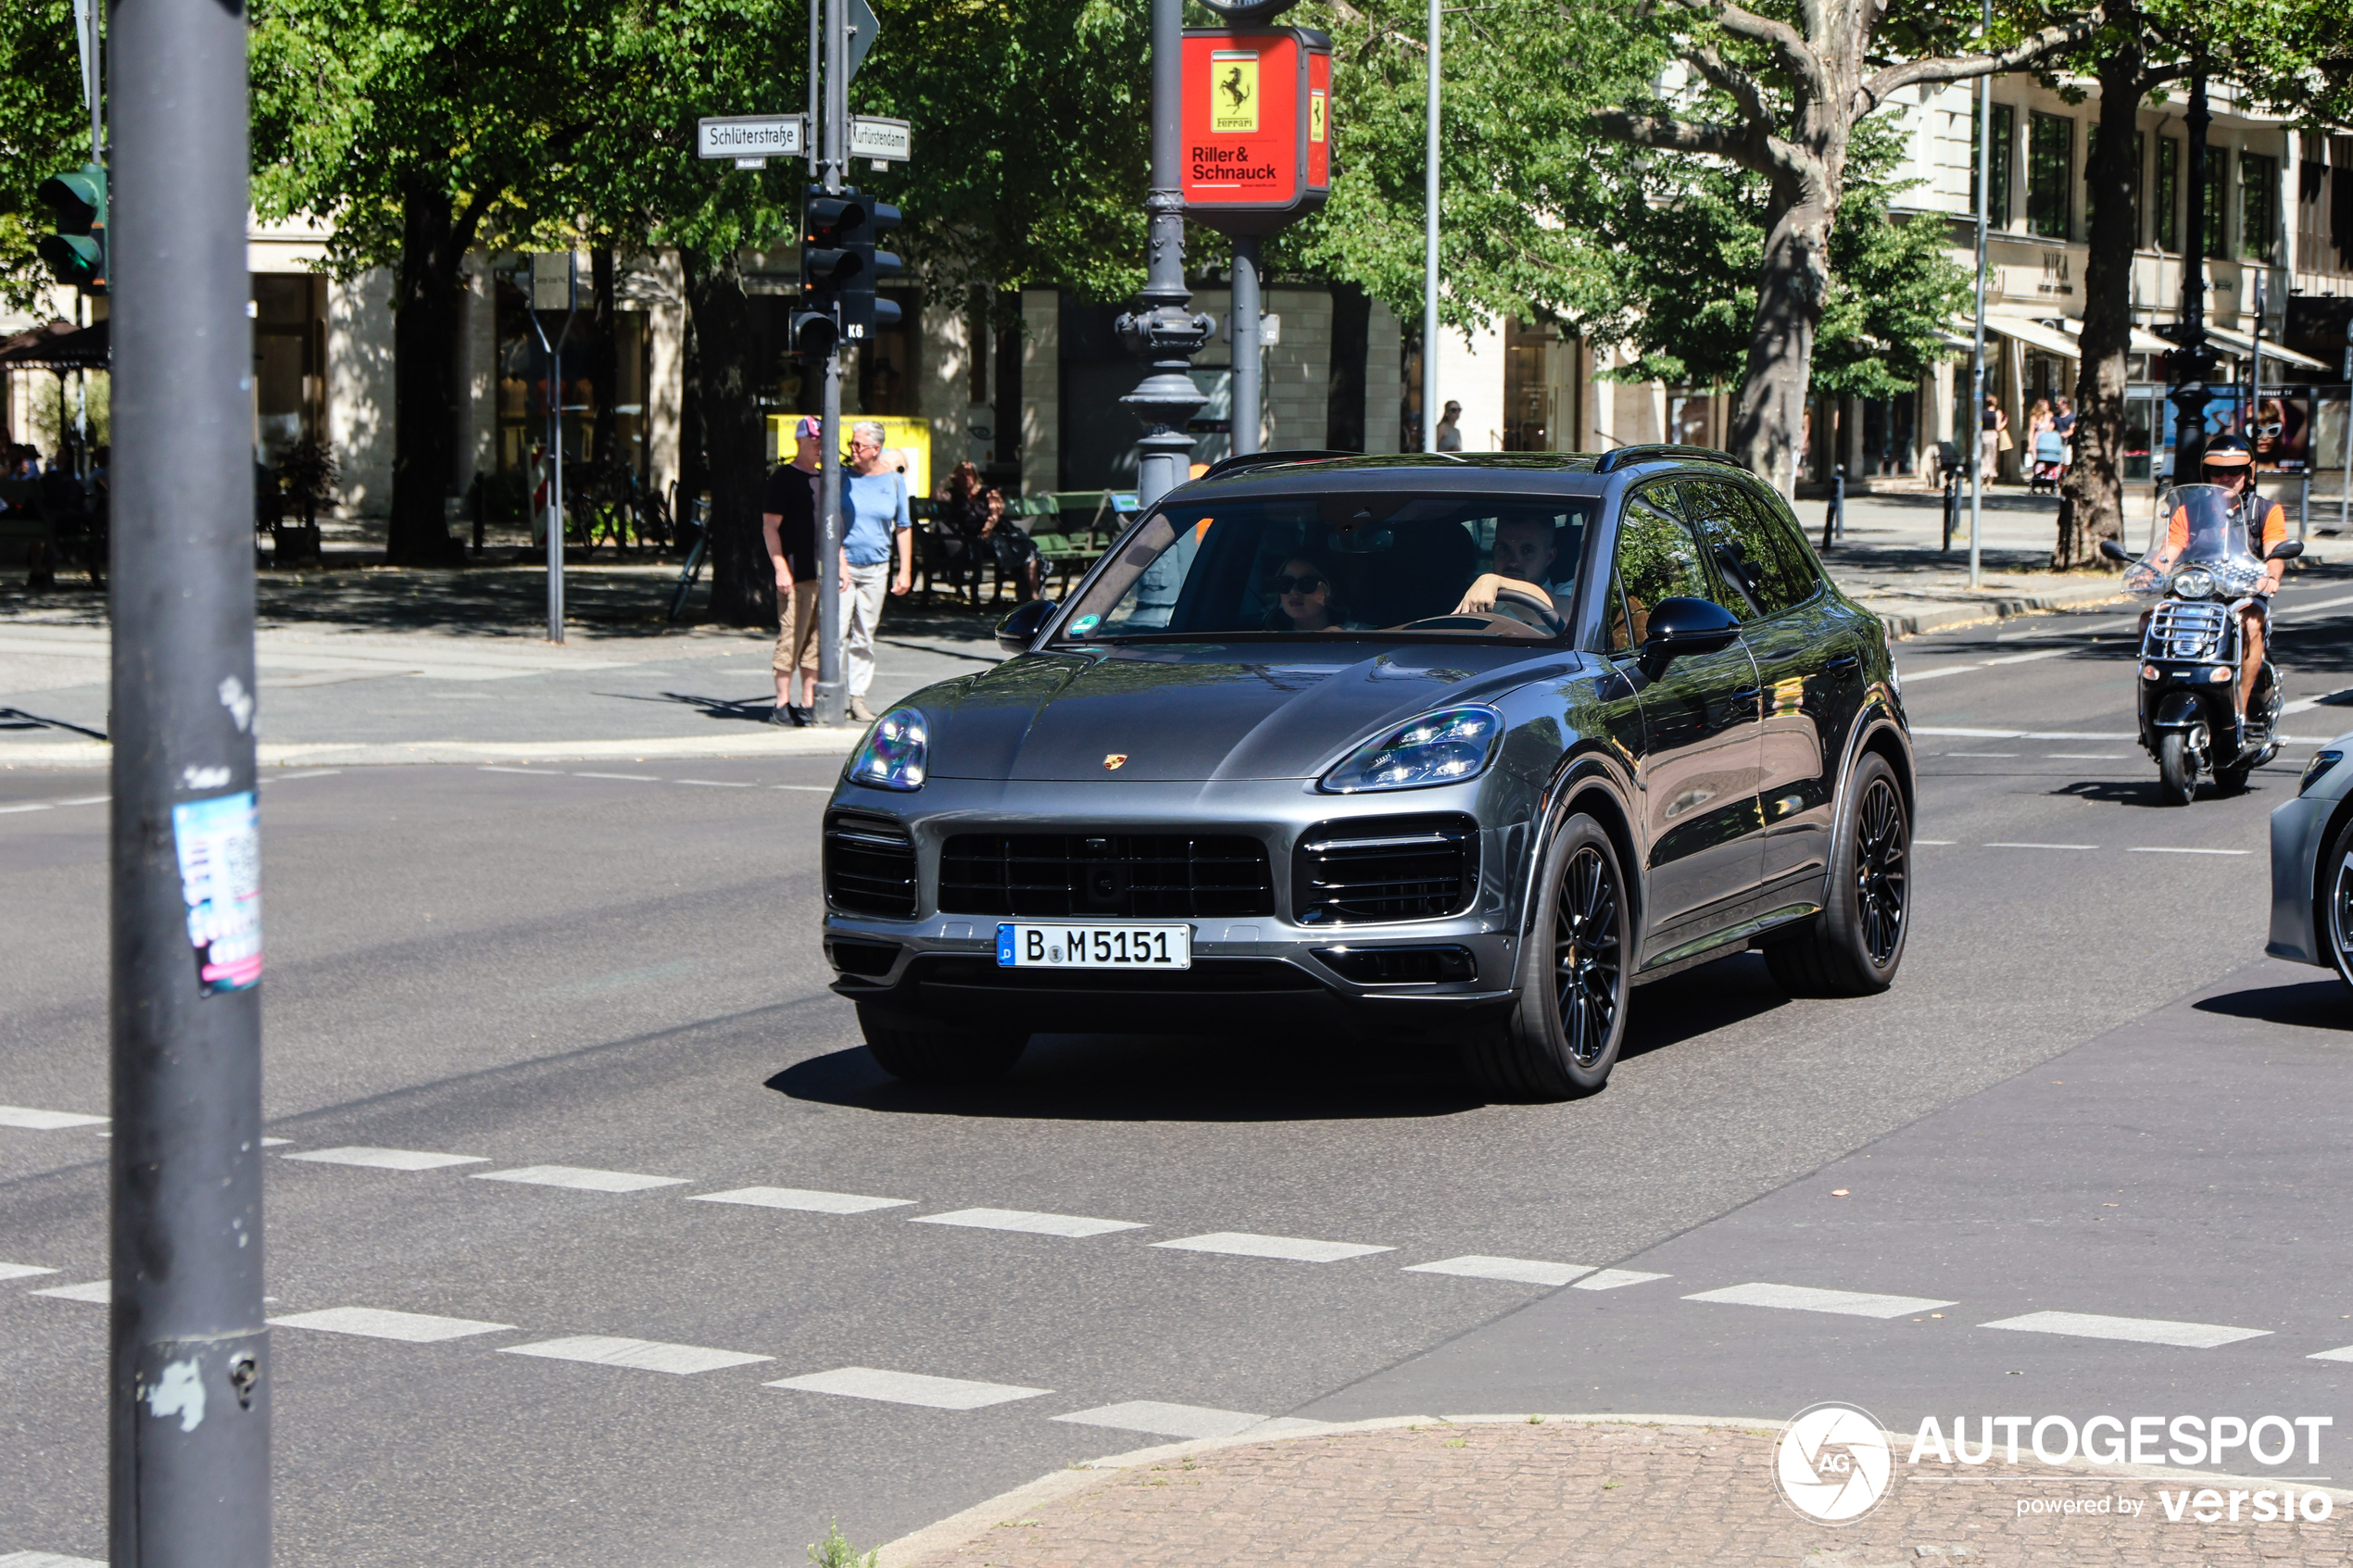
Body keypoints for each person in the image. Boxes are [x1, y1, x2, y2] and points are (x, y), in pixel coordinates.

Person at [2147, 436, 2287, 725]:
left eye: (2235, 470)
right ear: (2205, 474)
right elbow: (2168, 551)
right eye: (2217, 471)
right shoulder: (2188, 511)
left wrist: (2271, 577)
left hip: (2244, 593)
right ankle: (2156, 700)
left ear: (2249, 474)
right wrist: (2150, 571)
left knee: (2251, 623)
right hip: (2196, 592)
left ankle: (2239, 710)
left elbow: (2276, 553)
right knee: (2151, 620)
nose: (2226, 477)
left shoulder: (2265, 511)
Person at [761, 416, 841, 726]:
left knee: (816, 642)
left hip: (821, 573)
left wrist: (841, 565)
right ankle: (782, 704)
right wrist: (780, 567)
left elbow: (833, 527)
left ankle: (808, 703)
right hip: (796, 574)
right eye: (815, 440)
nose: (820, 446)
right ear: (799, 441)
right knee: (791, 638)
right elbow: (770, 527)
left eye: (824, 441)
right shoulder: (783, 478)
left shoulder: (823, 479)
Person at [841, 420, 913, 722]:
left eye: (859, 445)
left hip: (876, 566)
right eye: (852, 444)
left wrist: (905, 570)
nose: (853, 450)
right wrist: (838, 561)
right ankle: (828, 694)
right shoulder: (842, 478)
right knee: (834, 632)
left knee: (864, 635)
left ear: (876, 449)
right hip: (842, 565)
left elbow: (903, 527)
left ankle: (857, 697)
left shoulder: (894, 482)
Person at [1453, 515, 1567, 629]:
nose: (1513, 562)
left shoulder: (1568, 591)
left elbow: (1563, 612)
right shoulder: (1465, 595)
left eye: (1527, 551)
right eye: (1503, 549)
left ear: (1549, 557)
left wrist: (1493, 581)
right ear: (1494, 551)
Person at [1263, 555, 1345, 631]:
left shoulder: (1354, 635)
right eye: (1285, 583)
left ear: (1331, 590)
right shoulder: (1259, 639)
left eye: (1307, 583)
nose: (1293, 591)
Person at [1979, 395, 2007, 483]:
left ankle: (1981, 478)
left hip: (1983, 435)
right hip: (1992, 436)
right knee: (1992, 458)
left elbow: (1979, 424)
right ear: (1995, 403)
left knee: (1984, 457)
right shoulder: (1997, 413)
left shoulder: (1982, 413)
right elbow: (1998, 428)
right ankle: (1989, 482)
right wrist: (2005, 422)